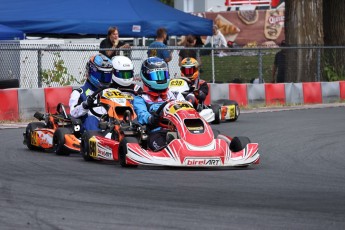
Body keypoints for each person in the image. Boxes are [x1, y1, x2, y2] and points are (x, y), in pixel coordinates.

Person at [133, 57, 184, 151]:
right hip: (157, 131)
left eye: (162, 75)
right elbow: (142, 115)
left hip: (181, 129)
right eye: (156, 76)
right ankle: (172, 150)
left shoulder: (175, 94)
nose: (160, 79)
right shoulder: (141, 98)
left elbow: (185, 110)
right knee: (160, 144)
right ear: (146, 76)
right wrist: (152, 118)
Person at [69, 53, 113, 131]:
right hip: (86, 131)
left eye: (107, 76)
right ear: (92, 71)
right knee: (91, 120)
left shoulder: (111, 92)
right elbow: (73, 113)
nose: (105, 79)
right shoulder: (79, 93)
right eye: (102, 75)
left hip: (108, 127)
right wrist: (85, 105)